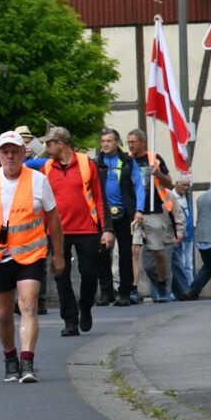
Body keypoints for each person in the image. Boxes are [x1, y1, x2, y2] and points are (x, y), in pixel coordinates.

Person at [0, 131, 64, 383]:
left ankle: (27, 361)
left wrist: (59, 255)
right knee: (2, 313)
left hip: (31, 254)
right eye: (5, 152)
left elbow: (53, 219)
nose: (10, 156)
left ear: (23, 153)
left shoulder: (38, 180)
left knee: (28, 305)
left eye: (15, 151)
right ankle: (10, 358)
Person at [39, 127, 112, 336]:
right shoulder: (46, 169)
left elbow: (99, 198)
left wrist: (106, 229)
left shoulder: (86, 164)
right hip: (57, 231)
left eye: (49, 143)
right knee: (61, 275)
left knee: (89, 273)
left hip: (87, 228)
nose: (46, 147)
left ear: (60, 144)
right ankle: (70, 320)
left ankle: (86, 307)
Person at [95, 128, 144, 306]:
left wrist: (139, 210)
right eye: (103, 141)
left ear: (117, 142)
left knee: (125, 254)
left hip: (125, 213)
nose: (106, 144)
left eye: (109, 141)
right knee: (101, 253)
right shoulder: (96, 162)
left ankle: (124, 292)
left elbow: (138, 185)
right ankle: (106, 292)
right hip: (102, 214)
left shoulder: (128, 162)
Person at [127, 129, 172, 304]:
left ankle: (162, 284)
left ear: (143, 142)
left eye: (134, 142)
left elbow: (169, 183)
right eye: (129, 142)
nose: (131, 145)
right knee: (134, 250)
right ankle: (133, 288)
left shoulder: (154, 158)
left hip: (153, 210)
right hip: (134, 212)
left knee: (158, 251)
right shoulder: (127, 161)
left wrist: (158, 173)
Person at [171, 176, 195, 298]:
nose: (186, 188)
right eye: (183, 185)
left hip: (189, 235)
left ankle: (190, 290)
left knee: (188, 265)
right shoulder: (171, 196)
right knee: (179, 264)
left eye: (188, 185)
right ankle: (179, 291)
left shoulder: (188, 196)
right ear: (176, 183)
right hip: (177, 235)